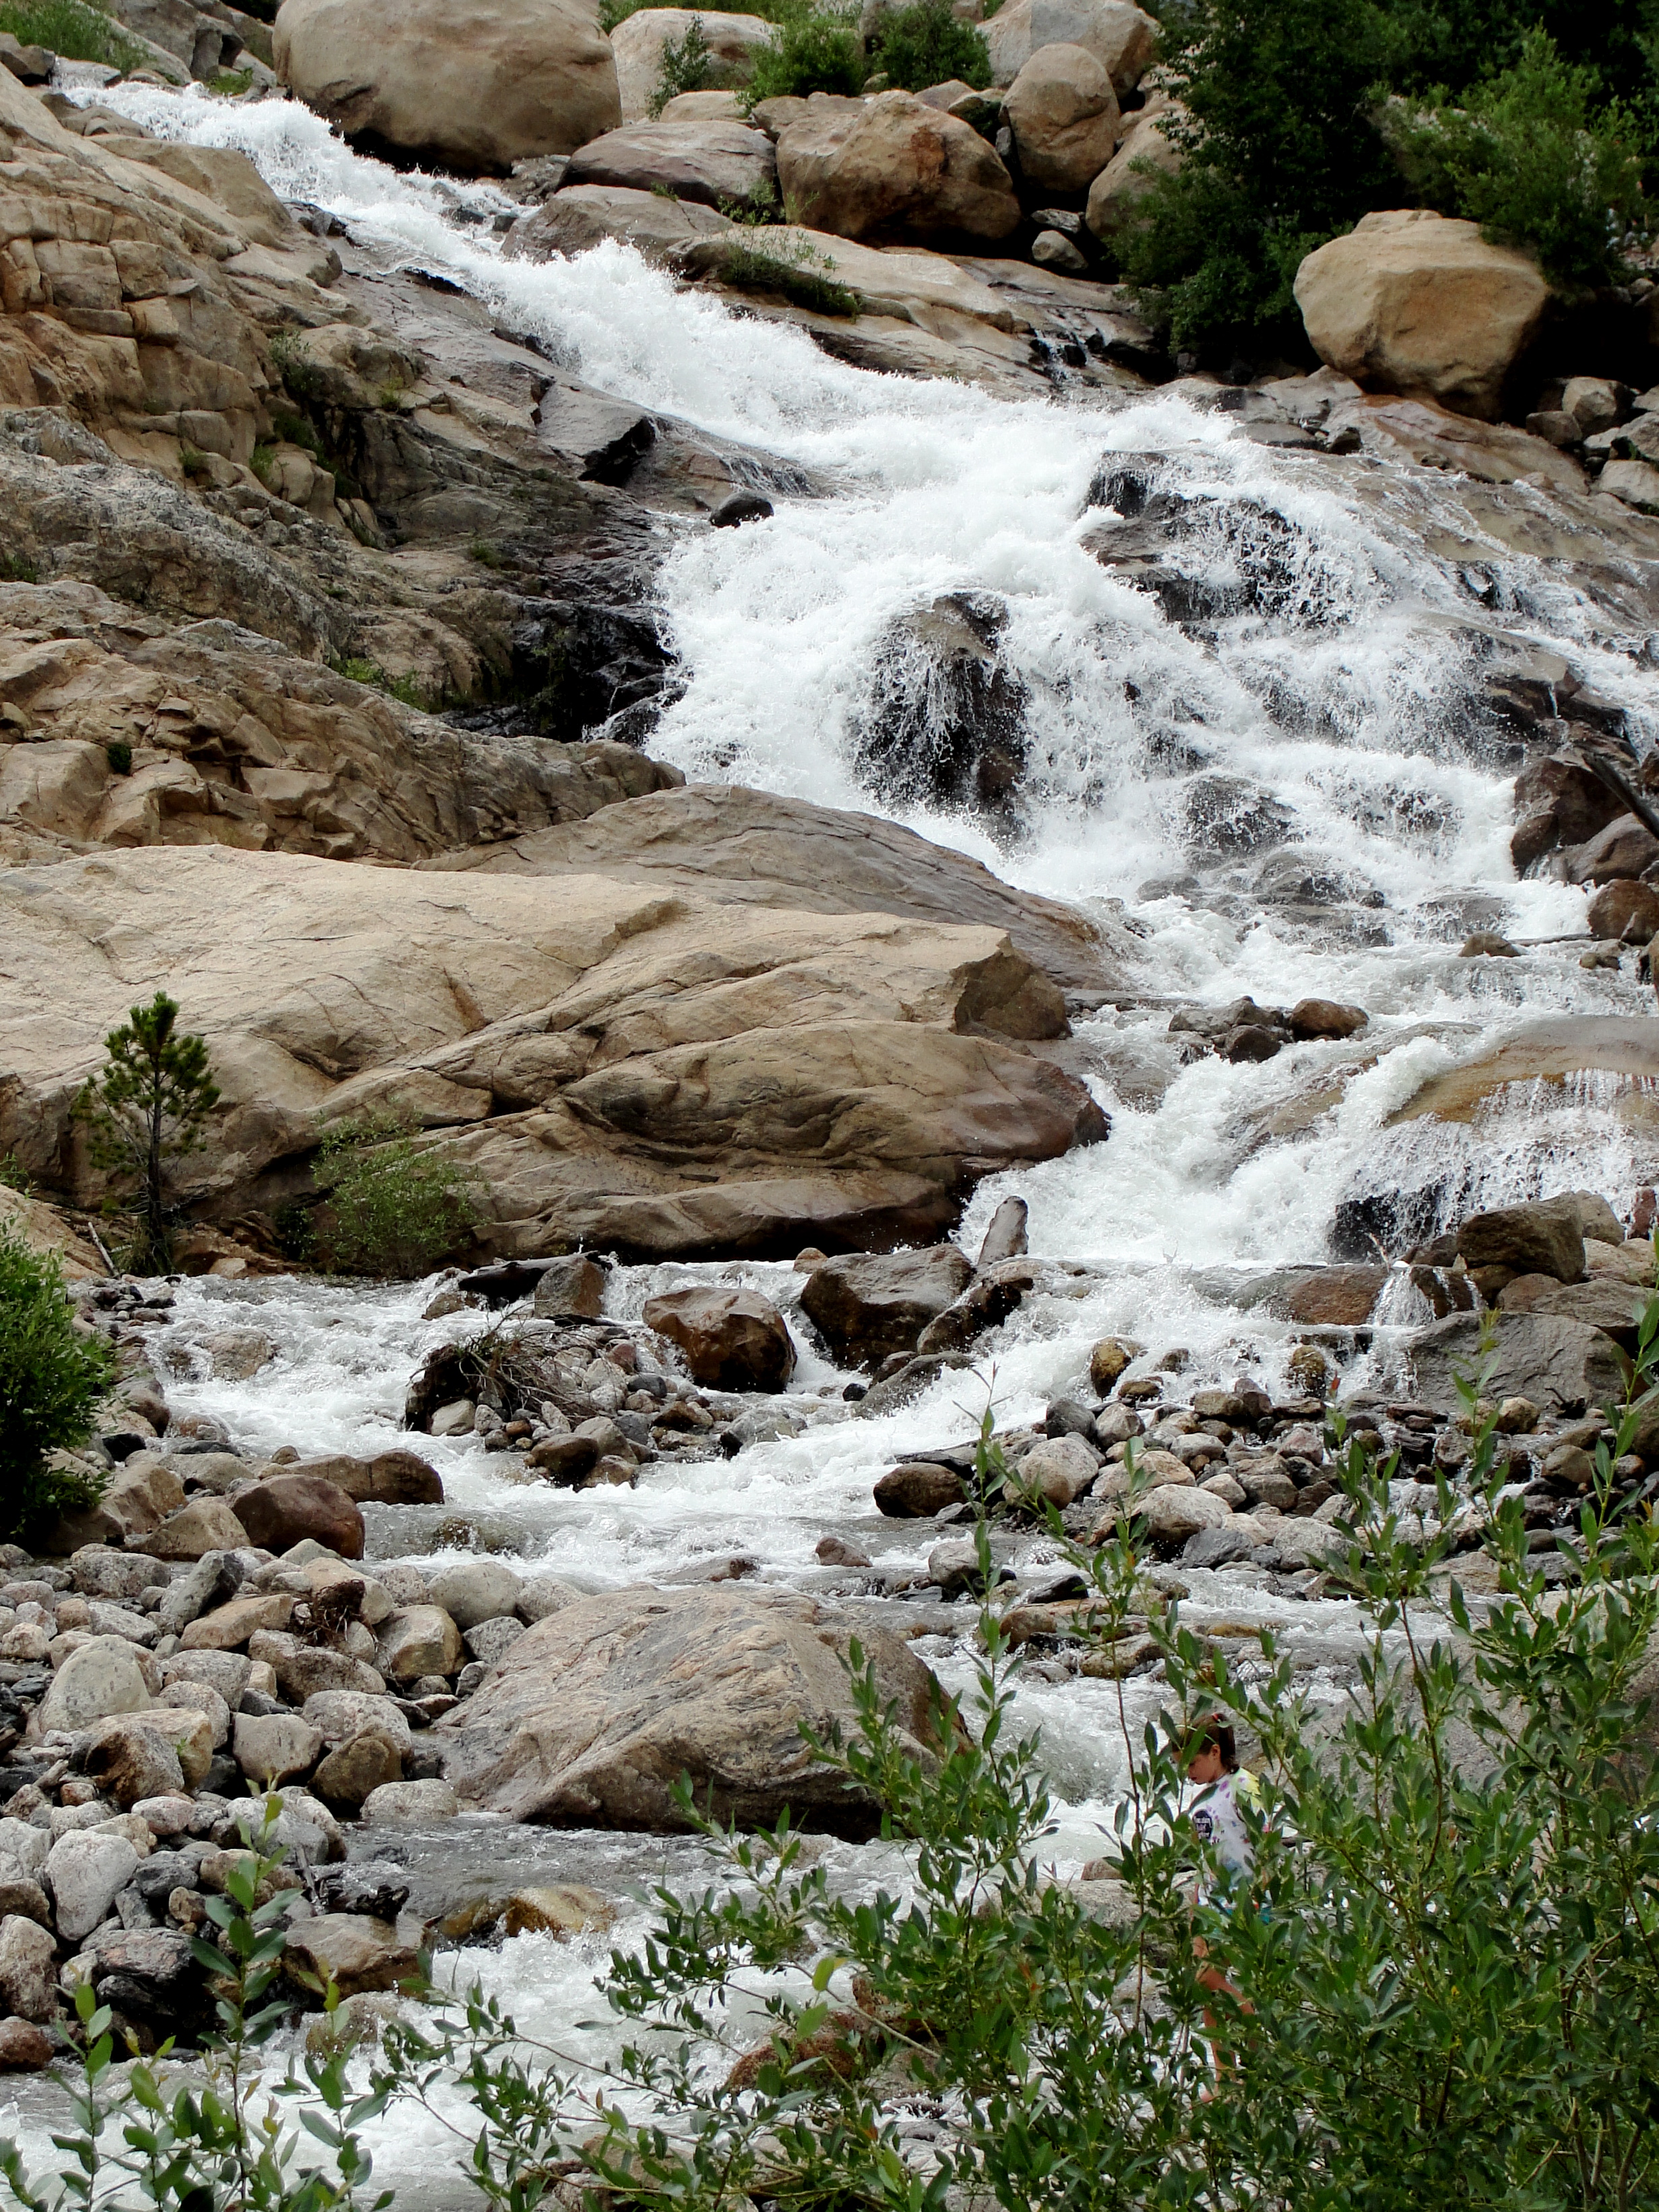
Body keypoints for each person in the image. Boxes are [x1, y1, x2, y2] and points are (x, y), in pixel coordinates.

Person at [1181, 1714, 1263, 2086]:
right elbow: (1203, 1854)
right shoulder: (1202, 1800)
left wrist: (1262, 1890)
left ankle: (1255, 2025)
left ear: (1215, 1752)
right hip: (1211, 1904)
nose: (1187, 1773)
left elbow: (1267, 1840)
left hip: (1243, 1901)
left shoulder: (1244, 1786)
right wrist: (1197, 1899)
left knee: (1209, 1977)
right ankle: (1225, 2077)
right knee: (1204, 1989)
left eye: (1193, 1763)